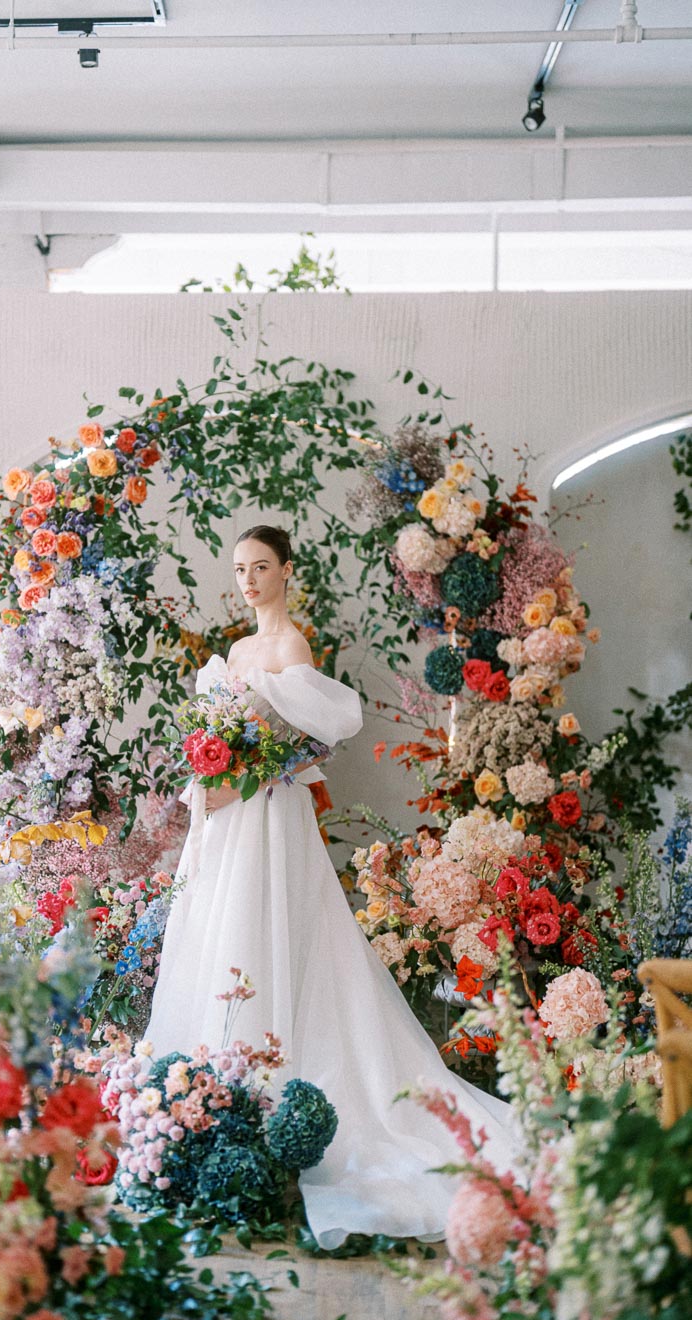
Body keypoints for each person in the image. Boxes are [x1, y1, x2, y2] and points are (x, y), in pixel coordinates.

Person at [145, 523, 517, 1250]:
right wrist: (209, 786)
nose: (248, 581)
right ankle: (211, 1092)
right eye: (240, 570)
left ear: (287, 572)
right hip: (225, 821)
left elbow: (301, 743)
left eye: (261, 567)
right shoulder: (236, 653)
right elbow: (220, 739)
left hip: (268, 817)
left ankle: (275, 1081)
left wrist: (241, 775)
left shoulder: (289, 650)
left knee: (272, 929)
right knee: (214, 931)